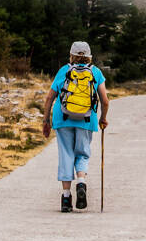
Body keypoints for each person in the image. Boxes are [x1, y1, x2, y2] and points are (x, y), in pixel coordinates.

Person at [41, 41, 109, 212]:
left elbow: (50, 98)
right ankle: (81, 182)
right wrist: (103, 118)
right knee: (83, 153)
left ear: (71, 55)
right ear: (89, 56)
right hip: (87, 120)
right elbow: (105, 101)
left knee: (66, 154)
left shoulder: (64, 71)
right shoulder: (96, 72)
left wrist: (46, 121)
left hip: (62, 118)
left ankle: (65, 198)